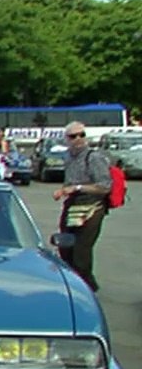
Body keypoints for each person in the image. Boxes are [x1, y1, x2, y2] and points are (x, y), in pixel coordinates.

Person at [54, 121, 112, 291]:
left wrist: (78, 188)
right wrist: (64, 191)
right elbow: (69, 182)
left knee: (81, 253)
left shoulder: (94, 157)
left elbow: (104, 186)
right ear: (67, 139)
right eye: (73, 136)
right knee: (65, 247)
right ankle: (72, 285)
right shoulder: (68, 157)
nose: (78, 139)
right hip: (72, 205)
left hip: (92, 207)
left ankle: (87, 289)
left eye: (82, 135)